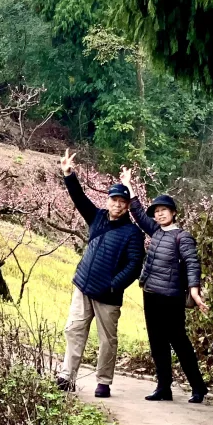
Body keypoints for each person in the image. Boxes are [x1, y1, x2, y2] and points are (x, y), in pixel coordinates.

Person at [56, 148, 144, 398]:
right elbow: (79, 199)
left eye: (122, 202)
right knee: (74, 329)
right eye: (113, 200)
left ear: (127, 206)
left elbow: (134, 266)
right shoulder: (97, 218)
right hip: (83, 285)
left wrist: (113, 286)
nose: (117, 204)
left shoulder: (133, 234)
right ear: (108, 201)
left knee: (107, 340)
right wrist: (69, 174)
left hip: (108, 295)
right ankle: (66, 376)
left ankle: (103, 381)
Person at [119, 167, 209, 403]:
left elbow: (192, 263)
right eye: (157, 211)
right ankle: (163, 388)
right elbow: (137, 211)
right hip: (151, 293)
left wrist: (194, 291)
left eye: (163, 211)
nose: (159, 215)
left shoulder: (183, 237)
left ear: (174, 213)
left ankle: (198, 387)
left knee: (179, 341)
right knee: (157, 341)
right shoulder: (156, 232)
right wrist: (128, 184)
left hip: (172, 297)